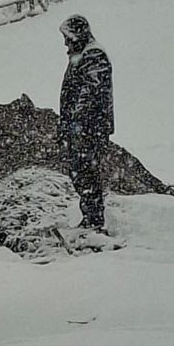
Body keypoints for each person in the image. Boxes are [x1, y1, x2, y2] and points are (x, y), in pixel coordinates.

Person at [58, 14, 114, 230]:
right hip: (84, 126)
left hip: (89, 128)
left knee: (87, 172)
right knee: (81, 172)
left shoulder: (93, 55)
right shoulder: (83, 55)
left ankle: (94, 220)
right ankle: (90, 217)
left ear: (77, 34)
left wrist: (76, 121)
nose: (65, 42)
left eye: (67, 36)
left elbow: (90, 92)